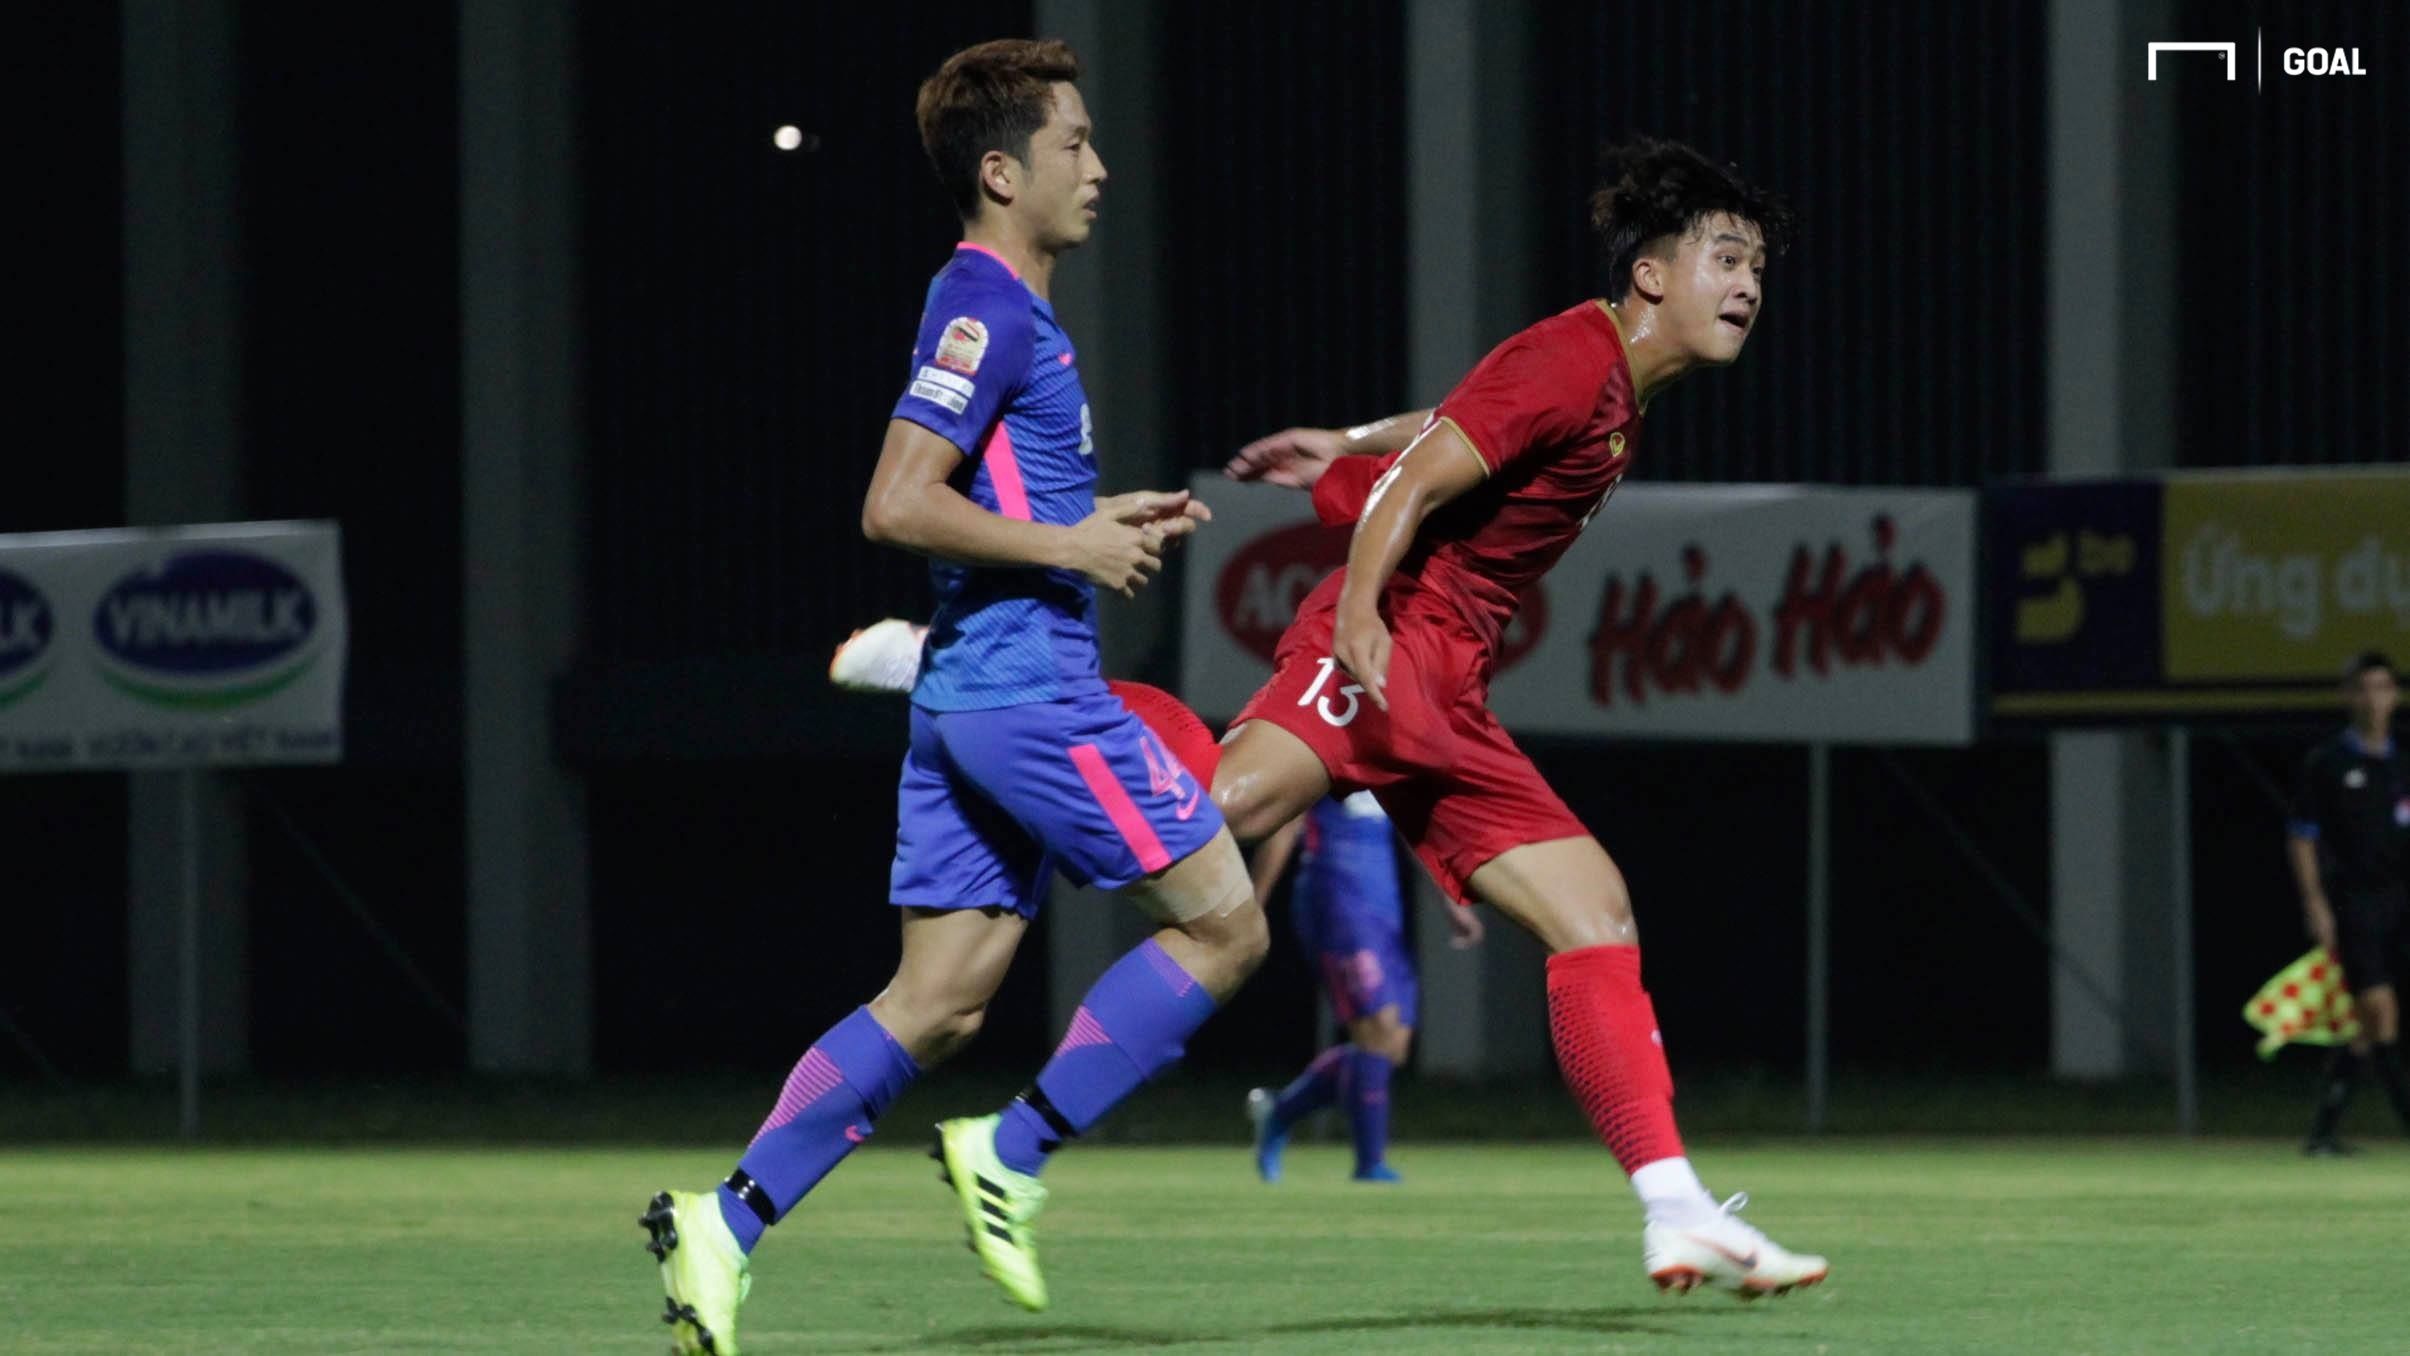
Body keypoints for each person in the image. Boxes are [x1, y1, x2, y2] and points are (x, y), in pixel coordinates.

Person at [641, 39, 1267, 1351]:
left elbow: (987, 495)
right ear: (1000, 172)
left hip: (967, 700)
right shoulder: (985, 310)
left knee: (938, 1002)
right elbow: (894, 502)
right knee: (1227, 929)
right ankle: (1011, 1153)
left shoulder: (998, 306)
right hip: (1032, 698)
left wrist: (1094, 516)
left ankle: (725, 1222)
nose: (1098, 167)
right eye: (1073, 145)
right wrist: (1069, 549)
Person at [1205, 137, 1827, 1298]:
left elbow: (1453, 423)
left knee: (1595, 911)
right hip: (1396, 636)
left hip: (1449, 680)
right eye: (1725, 258)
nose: (1748, 285)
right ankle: (969, 685)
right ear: (1651, 274)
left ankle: (1675, 1210)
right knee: (1210, 813)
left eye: (1757, 266)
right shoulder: (1574, 354)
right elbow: (1418, 484)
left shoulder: (1615, 383)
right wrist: (1358, 612)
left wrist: (1347, 440)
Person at [1245, 793, 1481, 1183]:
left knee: (1393, 1046)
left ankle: (1280, 1112)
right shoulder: (1324, 759)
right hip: (1336, 899)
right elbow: (1286, 824)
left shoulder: (1391, 766)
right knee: (1377, 1028)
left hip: (1382, 907)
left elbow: (1413, 829)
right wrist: (1254, 904)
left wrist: (1449, 900)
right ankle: (1370, 1166)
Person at [2290, 650, 2410, 1155]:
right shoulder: (2328, 763)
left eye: (2382, 688)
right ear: (2348, 696)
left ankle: (2322, 1133)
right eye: (2363, 688)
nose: (2373, 698)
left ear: (2395, 696)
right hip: (2355, 901)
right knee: (2380, 1009)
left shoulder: (2403, 761)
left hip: (2402, 901)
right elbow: (2302, 836)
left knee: (2365, 1025)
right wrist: (2315, 903)